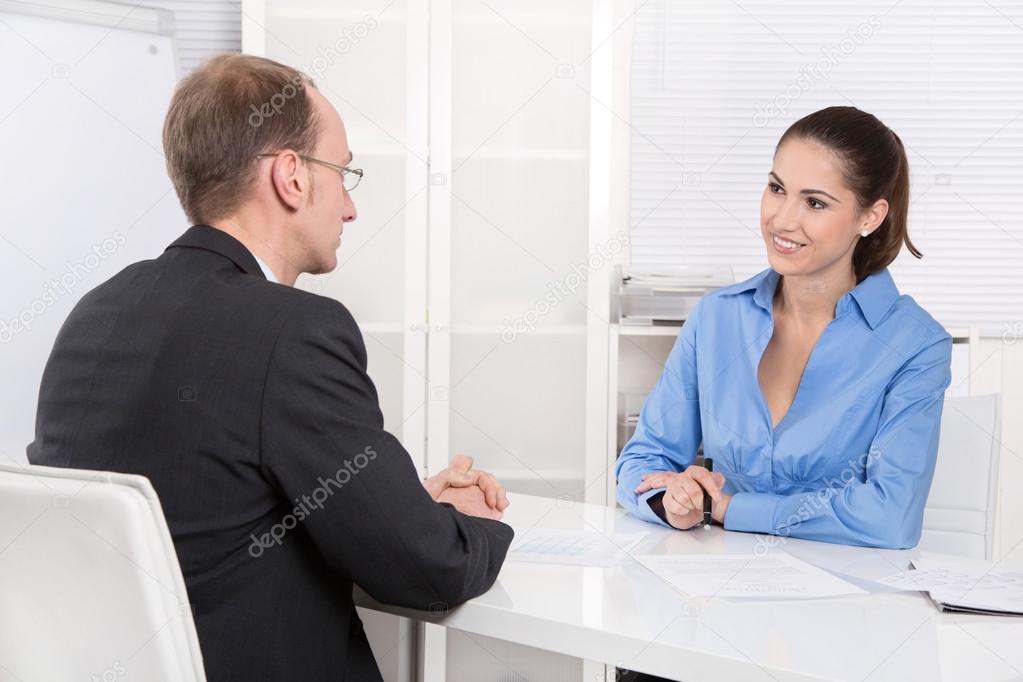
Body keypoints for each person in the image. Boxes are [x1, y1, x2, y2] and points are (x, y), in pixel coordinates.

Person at [28, 53, 513, 682]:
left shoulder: (94, 315)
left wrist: (398, 506)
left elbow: (211, 514)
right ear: (292, 176)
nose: (350, 208)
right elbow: (427, 569)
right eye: (343, 173)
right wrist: (462, 522)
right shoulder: (295, 331)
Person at [616, 106, 951, 550]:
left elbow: (891, 516)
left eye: (815, 203)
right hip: (717, 585)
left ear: (869, 217)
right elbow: (643, 460)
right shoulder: (718, 318)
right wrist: (672, 501)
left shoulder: (915, 345)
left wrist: (728, 508)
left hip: (848, 600)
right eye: (777, 188)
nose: (782, 219)